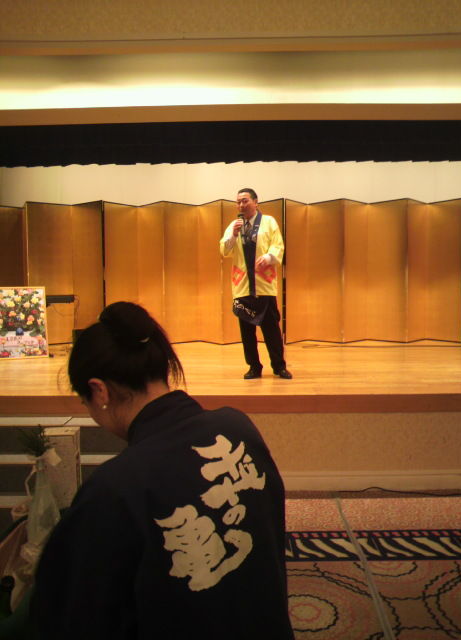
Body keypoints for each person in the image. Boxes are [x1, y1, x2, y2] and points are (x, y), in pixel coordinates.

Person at [29, 301, 294, 640]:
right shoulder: (239, 429)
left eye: (85, 402)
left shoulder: (115, 489)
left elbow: (68, 616)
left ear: (99, 391)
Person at [220, 188, 292, 379]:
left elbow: (278, 245)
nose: (241, 205)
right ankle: (254, 367)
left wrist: (269, 257)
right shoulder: (234, 225)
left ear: (255, 202)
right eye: (238, 202)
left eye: (245, 201)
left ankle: (279, 366)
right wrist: (233, 235)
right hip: (243, 286)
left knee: (271, 330)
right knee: (247, 332)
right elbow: (224, 250)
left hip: (264, 285)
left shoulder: (269, 222)